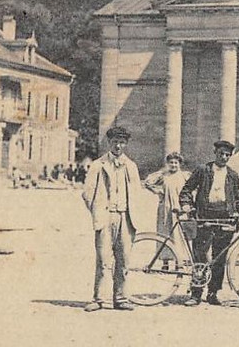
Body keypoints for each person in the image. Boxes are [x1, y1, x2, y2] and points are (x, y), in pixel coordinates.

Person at [81, 125, 147, 312]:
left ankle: (121, 297)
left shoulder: (131, 166)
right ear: (109, 143)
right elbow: (87, 193)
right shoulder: (97, 165)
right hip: (106, 216)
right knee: (103, 259)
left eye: (121, 142)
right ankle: (99, 298)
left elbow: (136, 193)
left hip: (126, 217)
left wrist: (131, 213)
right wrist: (98, 212)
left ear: (126, 144)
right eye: (115, 142)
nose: (118, 146)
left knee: (124, 259)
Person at [179, 139, 239, 306]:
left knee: (219, 257)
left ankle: (213, 293)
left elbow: (238, 198)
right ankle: (195, 293)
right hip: (204, 216)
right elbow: (187, 189)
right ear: (215, 153)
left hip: (225, 218)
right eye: (221, 154)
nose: (223, 157)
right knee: (200, 254)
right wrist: (186, 205)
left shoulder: (233, 175)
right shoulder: (203, 170)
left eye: (227, 155)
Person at [144, 152, 191, 257]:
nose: (173, 165)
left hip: (179, 208)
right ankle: (165, 261)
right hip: (166, 207)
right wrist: (158, 191)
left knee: (180, 235)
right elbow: (148, 182)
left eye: (176, 163)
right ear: (167, 164)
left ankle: (179, 261)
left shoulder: (184, 176)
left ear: (180, 164)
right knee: (165, 233)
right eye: (171, 163)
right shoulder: (164, 176)